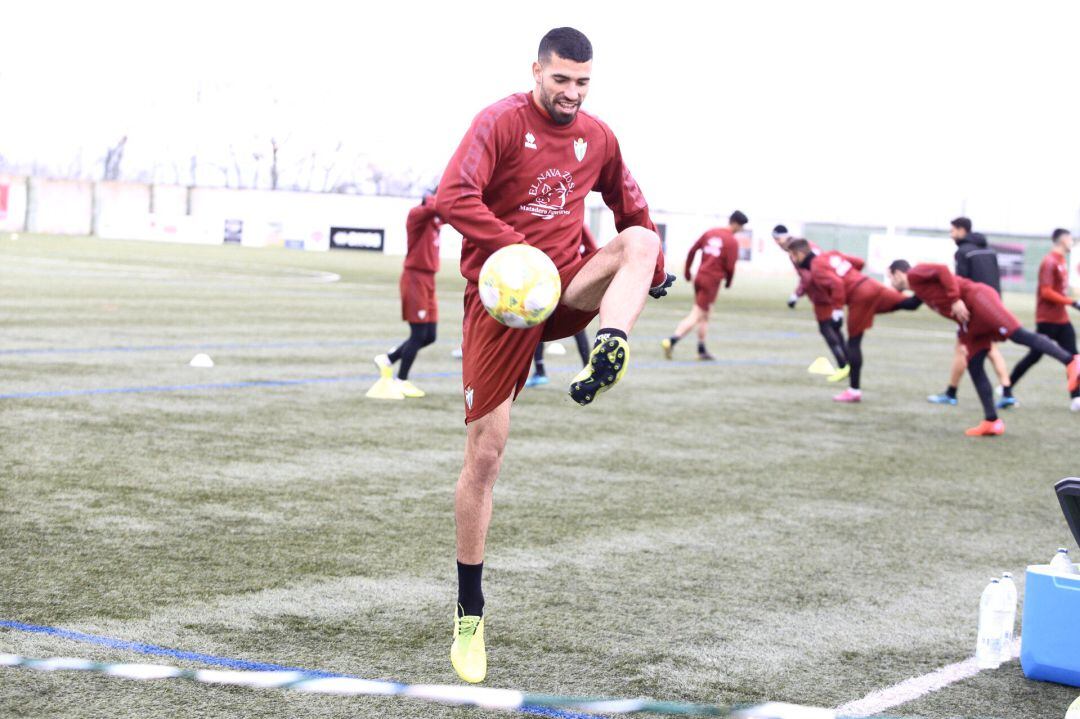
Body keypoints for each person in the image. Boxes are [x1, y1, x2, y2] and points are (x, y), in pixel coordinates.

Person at [434, 27, 674, 684]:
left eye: (582, 83)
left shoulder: (598, 137)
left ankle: (611, 344)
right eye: (560, 80)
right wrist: (517, 252)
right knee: (484, 458)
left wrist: (650, 271)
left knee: (642, 244)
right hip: (500, 299)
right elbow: (453, 196)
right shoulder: (500, 121)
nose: (571, 93)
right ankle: (470, 614)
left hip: (567, 286)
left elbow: (632, 209)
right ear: (536, 71)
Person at [888, 260, 1079, 435]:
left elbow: (942, 270)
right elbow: (910, 304)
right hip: (969, 321)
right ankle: (991, 421)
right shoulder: (918, 289)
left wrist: (955, 299)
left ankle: (1071, 361)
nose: (890, 282)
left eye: (890, 277)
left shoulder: (914, 273)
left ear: (898, 273)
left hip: (978, 298)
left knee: (1018, 334)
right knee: (974, 363)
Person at [787, 239, 920, 402]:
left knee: (853, 343)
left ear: (800, 253)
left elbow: (836, 284)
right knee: (909, 303)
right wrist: (851, 277)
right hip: (870, 284)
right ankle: (928, 286)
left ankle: (854, 391)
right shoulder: (831, 254)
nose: (793, 260)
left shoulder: (816, 268)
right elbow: (859, 262)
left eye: (793, 256)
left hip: (859, 297)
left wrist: (837, 312)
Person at [927, 217, 1012, 405]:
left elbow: (960, 283)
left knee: (961, 348)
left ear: (962, 230)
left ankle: (951, 393)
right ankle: (1007, 392)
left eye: (953, 231)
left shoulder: (963, 252)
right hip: (994, 305)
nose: (951, 235)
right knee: (991, 348)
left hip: (975, 308)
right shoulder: (989, 251)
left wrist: (959, 306)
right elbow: (996, 281)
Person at [373, 191, 442, 397]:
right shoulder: (417, 214)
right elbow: (435, 206)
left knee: (430, 335)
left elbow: (453, 211)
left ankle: (388, 359)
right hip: (415, 278)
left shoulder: (436, 218)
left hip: (429, 279)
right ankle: (401, 379)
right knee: (418, 333)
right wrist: (435, 196)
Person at [1003, 229, 1080, 411]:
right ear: (1062, 240)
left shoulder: (1062, 261)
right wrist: (1072, 302)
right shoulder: (1049, 261)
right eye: (1070, 239)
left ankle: (1076, 398)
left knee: (1074, 357)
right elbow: (1046, 292)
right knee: (1034, 356)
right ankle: (1006, 386)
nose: (1072, 242)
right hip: (1047, 319)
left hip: (1062, 319)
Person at [661, 211, 747, 360]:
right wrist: (729, 281)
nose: (741, 229)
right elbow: (730, 266)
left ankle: (701, 349)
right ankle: (672, 340)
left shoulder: (710, 232)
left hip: (700, 277)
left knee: (706, 315)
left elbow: (692, 250)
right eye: (741, 227)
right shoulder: (731, 241)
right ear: (735, 224)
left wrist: (687, 271)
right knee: (697, 314)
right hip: (712, 281)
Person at [526, 224, 598, 387]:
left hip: (558, 278)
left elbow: (591, 249)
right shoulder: (556, 216)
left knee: (539, 322)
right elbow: (591, 248)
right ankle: (541, 371)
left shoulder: (572, 220)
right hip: (547, 278)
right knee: (539, 323)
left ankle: (542, 371)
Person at [775, 229, 849, 378]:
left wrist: (798, 293)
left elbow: (808, 277)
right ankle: (848, 363)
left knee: (828, 330)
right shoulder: (806, 250)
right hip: (824, 296)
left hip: (822, 297)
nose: (791, 257)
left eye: (778, 241)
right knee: (834, 330)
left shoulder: (808, 258)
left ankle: (843, 366)